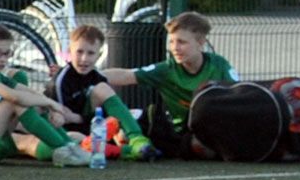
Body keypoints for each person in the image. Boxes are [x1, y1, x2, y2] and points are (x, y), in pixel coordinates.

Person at [0, 22, 93, 169]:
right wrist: (52, 104)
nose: (2, 59)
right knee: (14, 102)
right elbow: (15, 97)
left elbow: (29, 92)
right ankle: (63, 150)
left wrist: (50, 105)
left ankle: (68, 145)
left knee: (32, 101)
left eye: (6, 53)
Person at [98, 10, 236, 158]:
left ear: (200, 42)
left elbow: (237, 94)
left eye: (181, 42)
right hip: (177, 132)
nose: (174, 48)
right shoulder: (167, 69)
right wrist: (90, 75)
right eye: (171, 41)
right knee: (130, 124)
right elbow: (127, 75)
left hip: (211, 129)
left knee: (210, 146)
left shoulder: (219, 65)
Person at [47, 23, 158, 160]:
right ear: (70, 52)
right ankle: (128, 152)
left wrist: (86, 119)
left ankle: (137, 138)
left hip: (90, 126)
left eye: (91, 53)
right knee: (76, 139)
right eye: (79, 52)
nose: (84, 59)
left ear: (99, 55)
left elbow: (101, 114)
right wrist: (80, 119)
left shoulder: (96, 77)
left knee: (104, 91)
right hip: (69, 131)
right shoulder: (61, 80)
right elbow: (63, 118)